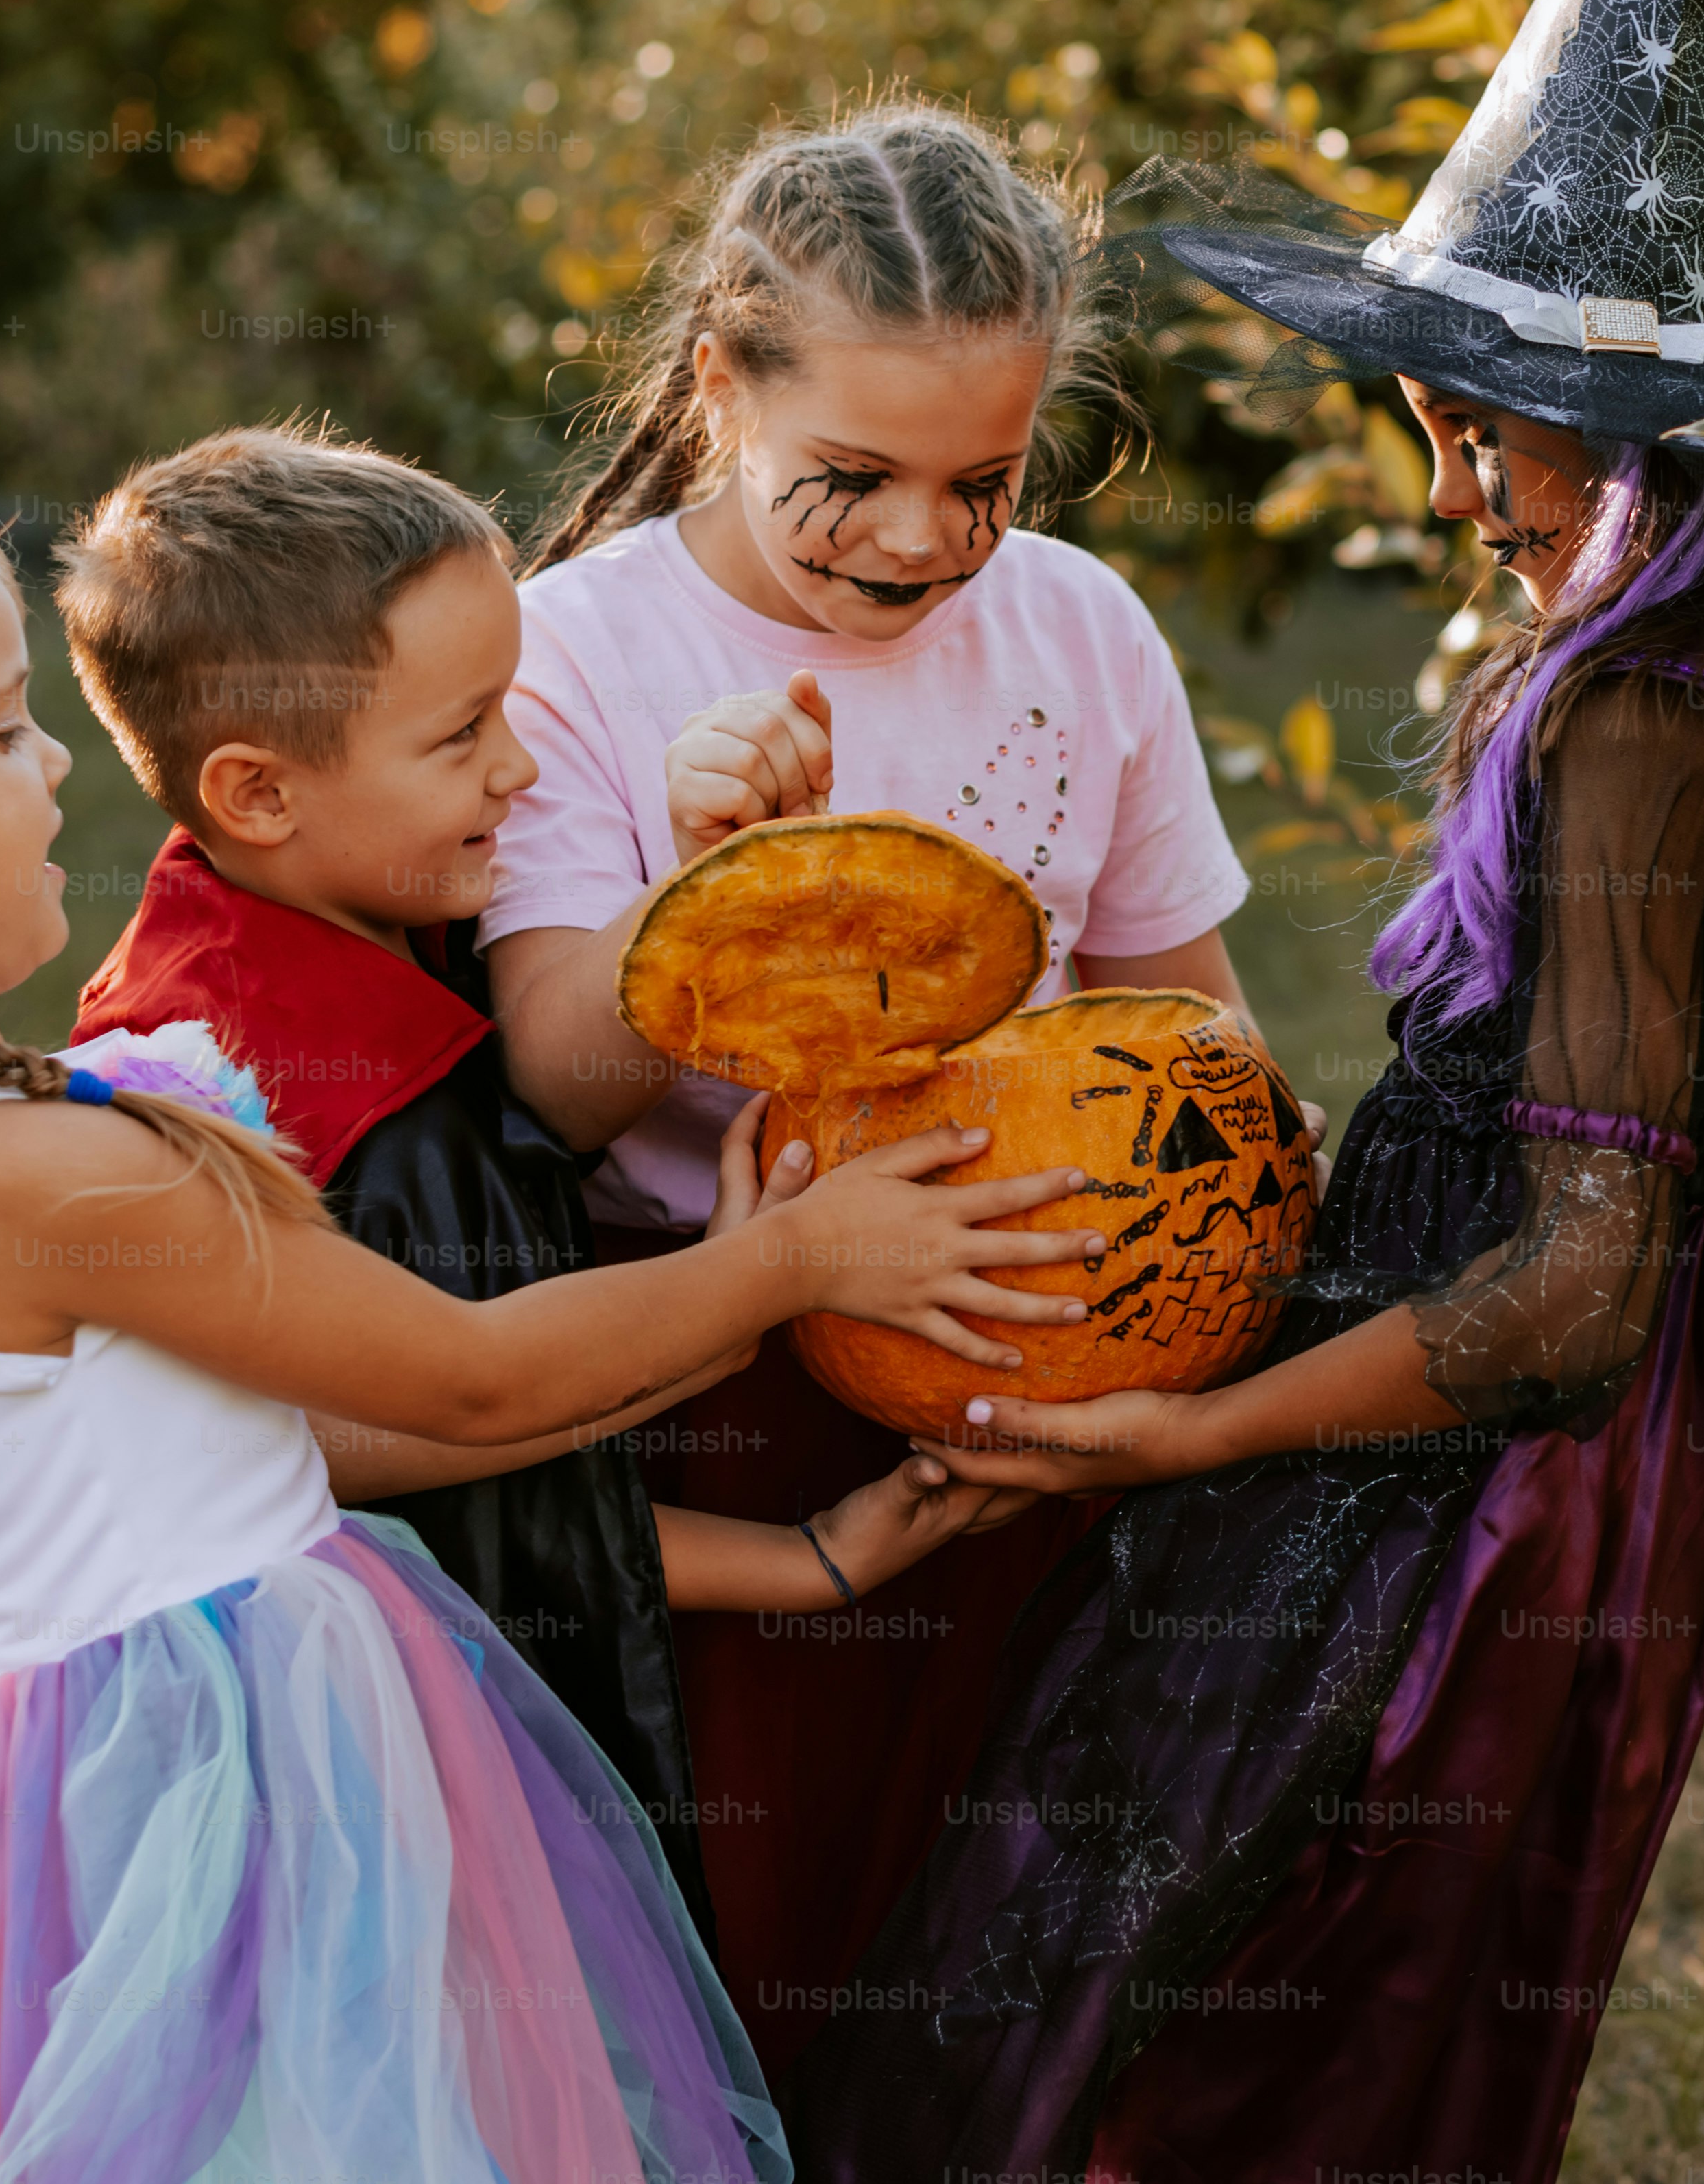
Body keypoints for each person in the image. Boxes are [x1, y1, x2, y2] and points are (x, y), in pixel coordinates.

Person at [794, 0, 1704, 2174]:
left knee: (1203, 1943)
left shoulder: (1645, 713)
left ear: (1654, 440)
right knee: (1386, 1969)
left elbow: (1567, 1282)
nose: (1447, 479)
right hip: (1618, 1440)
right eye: (1428, 413)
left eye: (1492, 426)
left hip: (1456, 1449)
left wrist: (1198, 1423)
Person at [0, 470, 1115, 2178]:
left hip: (70, 1780)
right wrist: (797, 1261)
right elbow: (467, 1365)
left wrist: (768, 1455)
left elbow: (340, 1428)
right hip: (207, 1794)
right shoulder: (36, 1173)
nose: (57, 760)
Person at [474, 97, 1302, 2075]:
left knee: (1003, 1962)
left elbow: (1193, 1026)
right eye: (854, 476)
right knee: (756, 1959)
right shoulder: (572, 656)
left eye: (988, 478)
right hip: (726, 1394)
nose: (928, 537)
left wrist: (1225, 1255)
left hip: (1057, 1385)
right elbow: (554, 1094)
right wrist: (713, 900)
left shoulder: (1082, 630)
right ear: (715, 390)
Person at [56, 423, 1011, 1938]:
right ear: (256, 790)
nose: (523, 764)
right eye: (461, 735)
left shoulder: (387, 927)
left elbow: (496, 1459)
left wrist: (798, 1548)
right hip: (354, 1816)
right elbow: (391, 1442)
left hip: (488, 1735)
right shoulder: (244, 1103)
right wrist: (778, 1276)